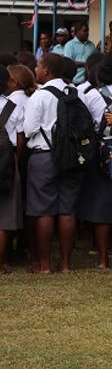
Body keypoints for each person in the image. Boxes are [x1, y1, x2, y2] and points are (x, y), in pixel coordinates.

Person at [24, 52, 100, 273]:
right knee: (67, 210)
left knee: (44, 211)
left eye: (38, 66)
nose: (36, 69)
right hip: (74, 157)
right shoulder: (77, 93)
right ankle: (66, 263)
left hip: (44, 156)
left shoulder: (39, 96)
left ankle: (44, 264)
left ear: (46, 70)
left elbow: (29, 129)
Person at [78, 49, 112, 269]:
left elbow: (87, 124)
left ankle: (102, 258)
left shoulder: (91, 93)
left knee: (101, 207)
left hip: (100, 155)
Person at [1, 64, 34, 272]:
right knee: (4, 216)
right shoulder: (11, 106)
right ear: (5, 83)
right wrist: (16, 160)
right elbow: (21, 139)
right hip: (7, 158)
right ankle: (2, 262)